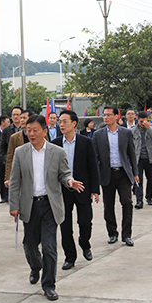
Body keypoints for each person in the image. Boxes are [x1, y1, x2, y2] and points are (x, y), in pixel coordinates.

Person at [9, 114, 84, 301]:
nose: (31, 134)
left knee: (49, 247)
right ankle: (36, 267)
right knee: (30, 245)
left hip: (50, 205)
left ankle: (49, 285)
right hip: (30, 205)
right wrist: (14, 205)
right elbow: (15, 181)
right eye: (28, 130)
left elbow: (64, 173)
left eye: (35, 130)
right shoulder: (20, 152)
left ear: (44, 131)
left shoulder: (57, 152)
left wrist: (69, 181)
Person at [51, 110, 100, 270]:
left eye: (65, 121)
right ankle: (70, 257)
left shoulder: (86, 142)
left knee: (85, 222)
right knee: (65, 226)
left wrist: (95, 189)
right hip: (63, 190)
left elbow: (93, 167)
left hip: (82, 188)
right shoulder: (55, 143)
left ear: (74, 123)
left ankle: (85, 243)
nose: (61, 124)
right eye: (60, 121)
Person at [92, 106, 138, 246]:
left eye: (108, 115)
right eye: (104, 115)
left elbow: (131, 153)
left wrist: (135, 173)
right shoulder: (98, 135)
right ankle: (112, 233)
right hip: (107, 174)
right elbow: (95, 157)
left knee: (127, 202)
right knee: (108, 205)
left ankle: (127, 235)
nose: (105, 117)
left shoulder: (125, 133)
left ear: (116, 116)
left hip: (123, 173)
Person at [131, 111, 152, 209]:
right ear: (137, 119)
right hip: (138, 158)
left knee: (150, 179)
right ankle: (139, 200)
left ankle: (149, 197)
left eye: (145, 121)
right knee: (139, 180)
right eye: (141, 121)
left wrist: (149, 128)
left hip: (149, 157)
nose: (143, 123)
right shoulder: (133, 129)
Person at [4, 110, 42, 185]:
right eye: (21, 118)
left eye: (24, 118)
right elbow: (10, 158)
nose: (21, 120)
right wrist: (8, 178)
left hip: (38, 173)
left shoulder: (41, 135)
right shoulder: (14, 137)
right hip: (21, 175)